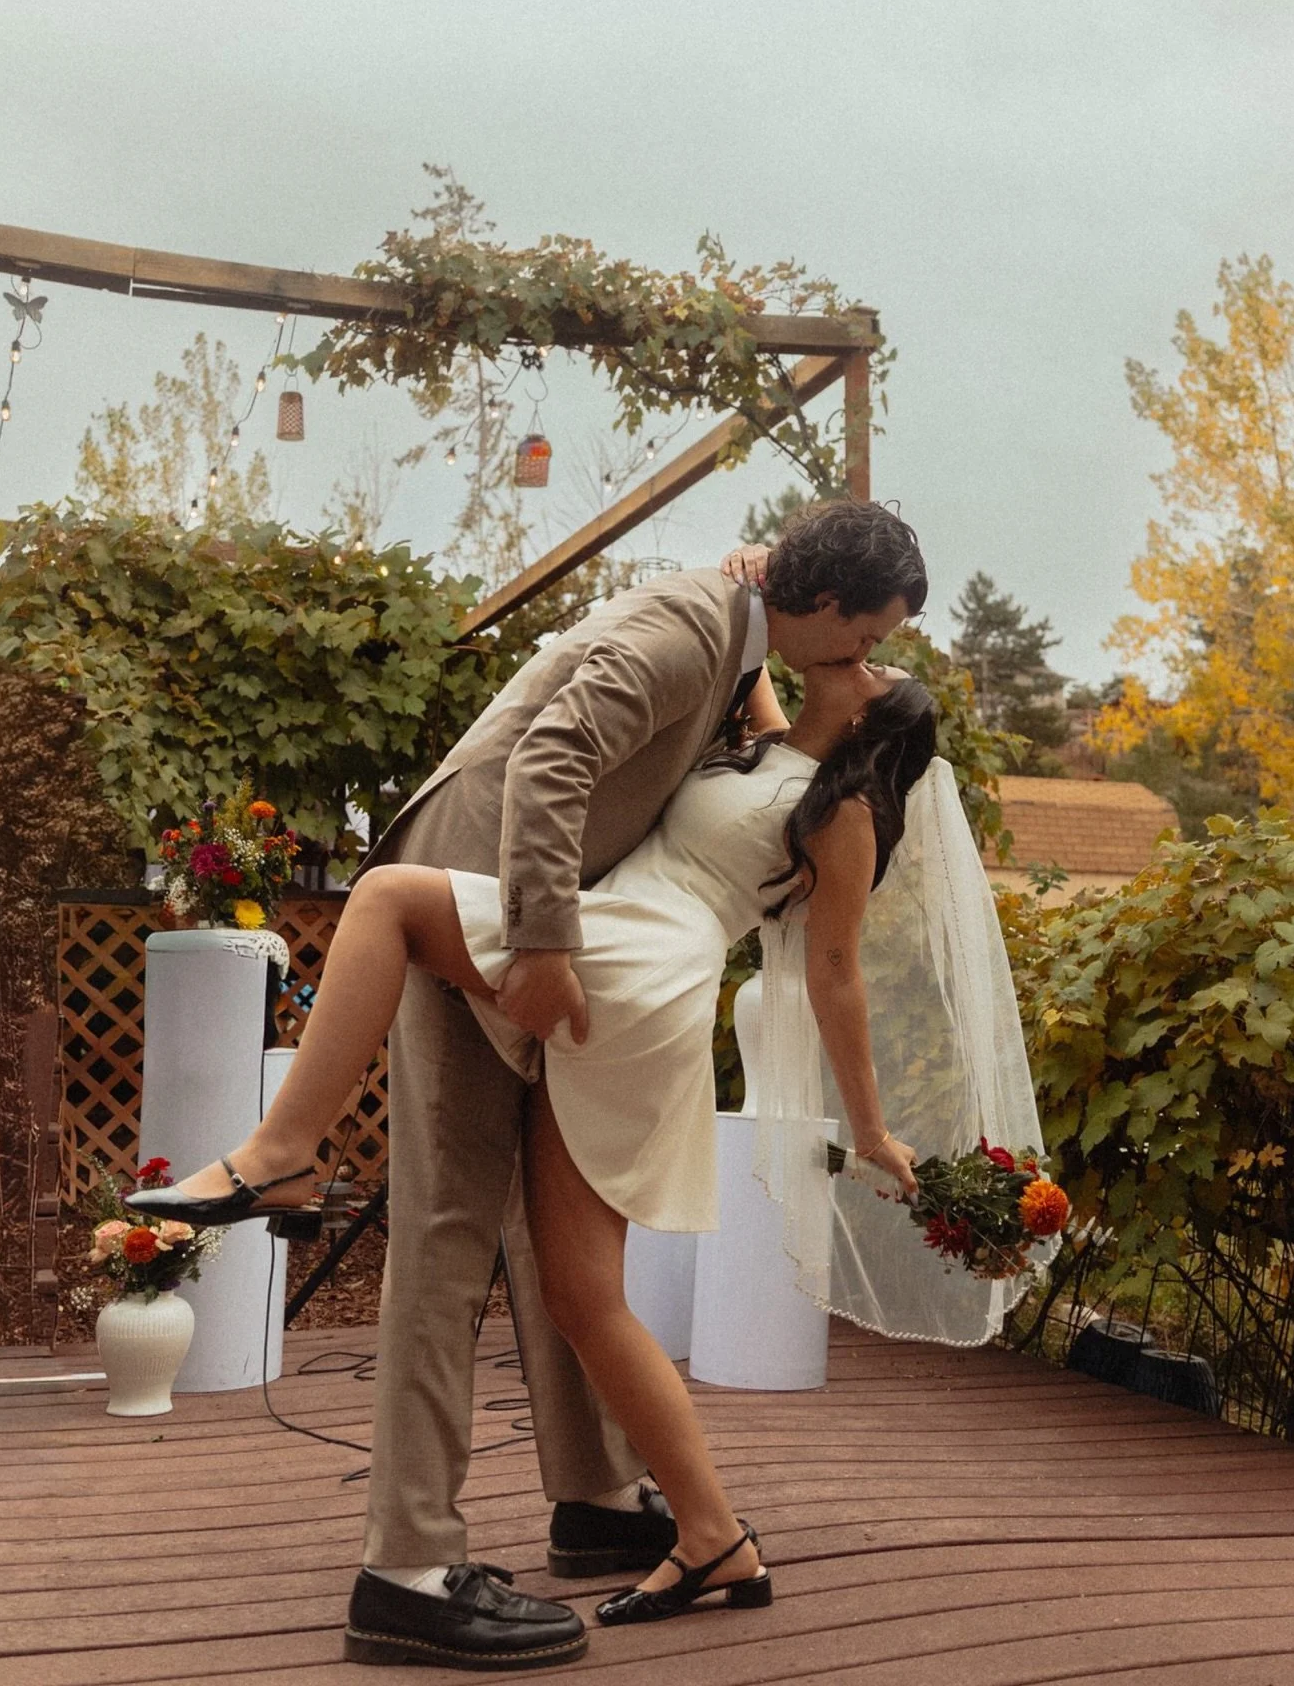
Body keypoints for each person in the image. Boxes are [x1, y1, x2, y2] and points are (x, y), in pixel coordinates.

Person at [129, 500, 929, 1672]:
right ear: (816, 609)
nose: (867, 662)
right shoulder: (713, 656)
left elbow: (834, 955)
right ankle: (475, 1553)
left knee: (538, 1244)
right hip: (539, 907)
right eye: (865, 637)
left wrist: (869, 1125)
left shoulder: (800, 739)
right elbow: (563, 754)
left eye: (876, 661)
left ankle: (594, 1496)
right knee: (508, 1255)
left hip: (626, 955)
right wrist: (546, 944)